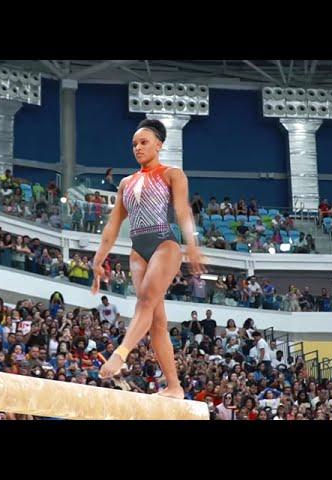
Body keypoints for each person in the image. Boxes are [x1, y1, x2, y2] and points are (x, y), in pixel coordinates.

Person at [90, 118, 206, 399]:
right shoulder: (126, 183)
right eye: (134, 144)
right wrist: (97, 260)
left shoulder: (172, 174)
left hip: (164, 244)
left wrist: (192, 243)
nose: (138, 148)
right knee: (156, 321)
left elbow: (182, 210)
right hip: (137, 249)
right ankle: (174, 386)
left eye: (144, 142)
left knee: (144, 300)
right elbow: (113, 225)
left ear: (159, 145)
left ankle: (121, 353)